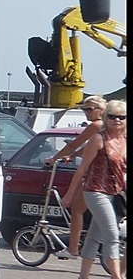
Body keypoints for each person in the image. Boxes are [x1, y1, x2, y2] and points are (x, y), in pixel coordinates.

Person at [65, 99, 126, 279]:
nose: (116, 120)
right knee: (112, 235)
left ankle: (83, 278)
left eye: (121, 117)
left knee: (94, 237)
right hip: (95, 190)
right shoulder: (99, 139)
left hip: (116, 193)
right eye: (112, 116)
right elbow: (82, 169)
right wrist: (70, 194)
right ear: (106, 118)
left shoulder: (125, 141)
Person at [45, 94, 108, 257]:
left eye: (89, 109)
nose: (86, 112)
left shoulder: (96, 125)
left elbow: (74, 143)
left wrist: (54, 158)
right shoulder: (108, 126)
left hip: (94, 173)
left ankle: (73, 248)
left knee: (77, 209)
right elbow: (89, 148)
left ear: (100, 111)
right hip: (109, 174)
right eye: (84, 109)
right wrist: (72, 156)